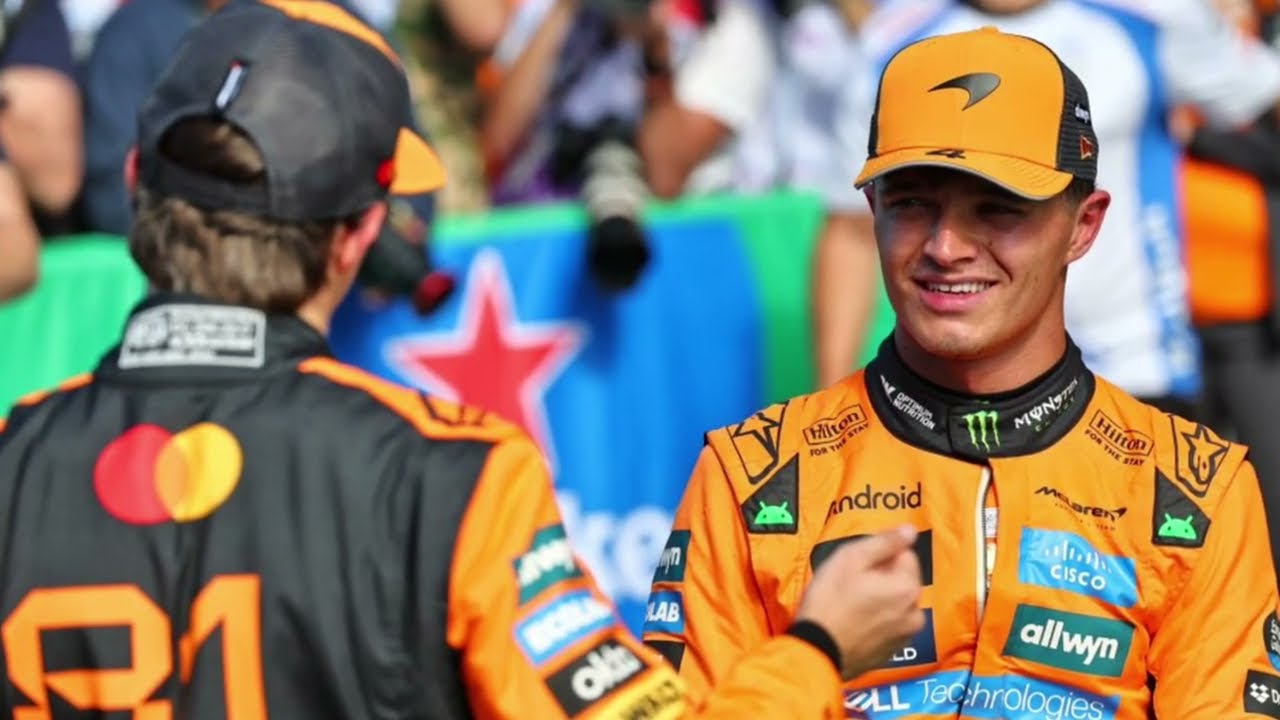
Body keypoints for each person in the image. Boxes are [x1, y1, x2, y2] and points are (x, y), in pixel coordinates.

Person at [0, 1, 926, 718]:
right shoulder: (454, 476)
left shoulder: (15, 455)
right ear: (360, 235)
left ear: (136, 183)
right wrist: (817, 649)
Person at [643, 26, 1280, 718]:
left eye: (997, 209)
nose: (946, 247)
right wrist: (816, 653)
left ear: (1083, 226)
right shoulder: (752, 476)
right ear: (873, 210)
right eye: (912, 203)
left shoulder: (1194, 492)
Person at [810, 0, 1280, 417]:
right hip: (952, 382)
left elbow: (1262, 94)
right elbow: (851, 228)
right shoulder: (891, 40)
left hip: (1137, 364)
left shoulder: (1153, 14)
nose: (947, 246)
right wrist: (832, 406)